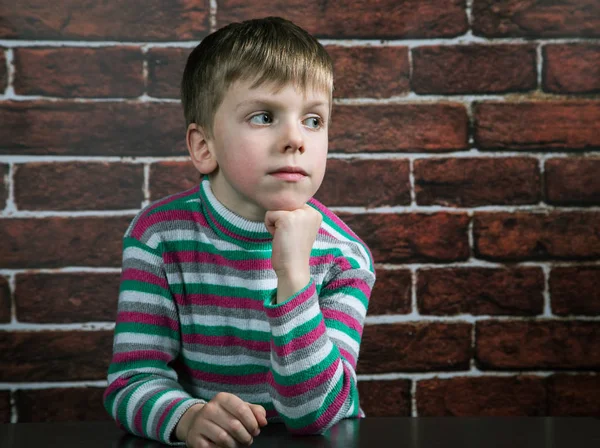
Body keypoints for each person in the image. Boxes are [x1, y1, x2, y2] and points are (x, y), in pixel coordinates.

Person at [103, 16, 376, 448]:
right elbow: (131, 381)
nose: (295, 140)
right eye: (264, 116)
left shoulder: (345, 258)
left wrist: (293, 275)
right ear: (203, 146)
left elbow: (315, 412)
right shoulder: (158, 237)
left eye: (313, 120)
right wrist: (188, 418)